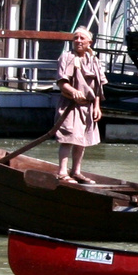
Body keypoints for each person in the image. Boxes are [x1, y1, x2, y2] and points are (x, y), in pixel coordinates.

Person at [55, 27, 105, 185]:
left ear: (90, 42)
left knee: (81, 140)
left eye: (82, 38)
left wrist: (97, 106)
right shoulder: (67, 57)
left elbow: (98, 87)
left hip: (87, 107)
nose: (78, 41)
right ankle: (62, 172)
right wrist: (73, 91)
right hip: (70, 105)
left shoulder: (94, 60)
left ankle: (76, 171)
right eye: (75, 38)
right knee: (68, 138)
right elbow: (62, 83)